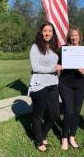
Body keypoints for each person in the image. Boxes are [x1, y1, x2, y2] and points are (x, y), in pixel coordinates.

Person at [28, 22, 61, 152]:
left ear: (53, 33)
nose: (47, 33)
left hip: (53, 84)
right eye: (45, 31)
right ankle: (38, 140)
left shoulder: (54, 48)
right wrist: (54, 68)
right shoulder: (35, 47)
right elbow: (35, 67)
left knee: (54, 114)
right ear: (41, 32)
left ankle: (43, 133)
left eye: (50, 31)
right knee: (38, 115)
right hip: (39, 84)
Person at [58, 27, 84, 150]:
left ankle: (72, 137)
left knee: (76, 111)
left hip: (80, 84)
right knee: (69, 111)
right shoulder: (64, 49)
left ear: (79, 36)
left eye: (76, 35)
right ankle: (64, 137)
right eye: (72, 35)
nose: (74, 37)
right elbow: (58, 63)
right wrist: (59, 66)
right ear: (69, 37)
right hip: (65, 84)